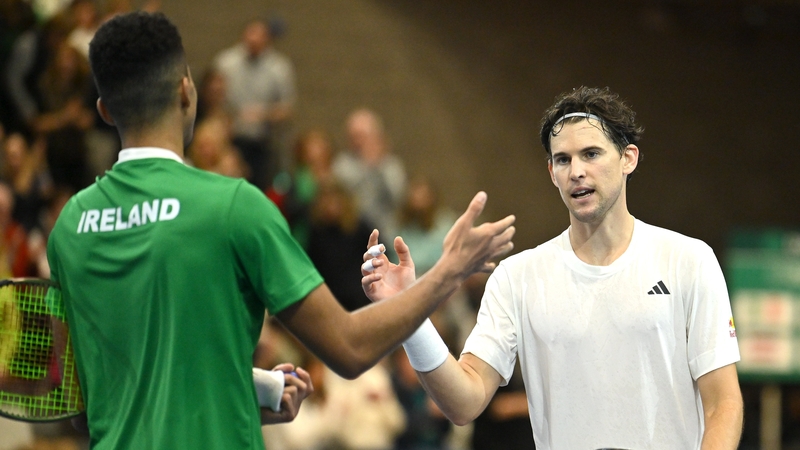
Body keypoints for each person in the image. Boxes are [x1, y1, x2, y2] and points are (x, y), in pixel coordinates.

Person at [45, 11, 515, 450]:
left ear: (104, 110)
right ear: (186, 92)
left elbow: (86, 407)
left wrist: (246, 395)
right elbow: (350, 348)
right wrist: (449, 271)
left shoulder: (69, 227)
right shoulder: (233, 206)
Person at [362, 86, 743, 449]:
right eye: (563, 159)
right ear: (551, 173)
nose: (576, 170)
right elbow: (464, 402)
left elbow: (723, 404)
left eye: (591, 154)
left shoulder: (689, 260)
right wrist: (409, 313)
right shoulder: (516, 278)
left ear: (628, 158)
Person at [213, 17, 296, 189]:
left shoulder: (279, 68)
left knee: (259, 186)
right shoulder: (226, 62)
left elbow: (287, 109)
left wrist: (263, 115)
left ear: (267, 39)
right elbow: (213, 98)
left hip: (262, 142)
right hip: (230, 138)